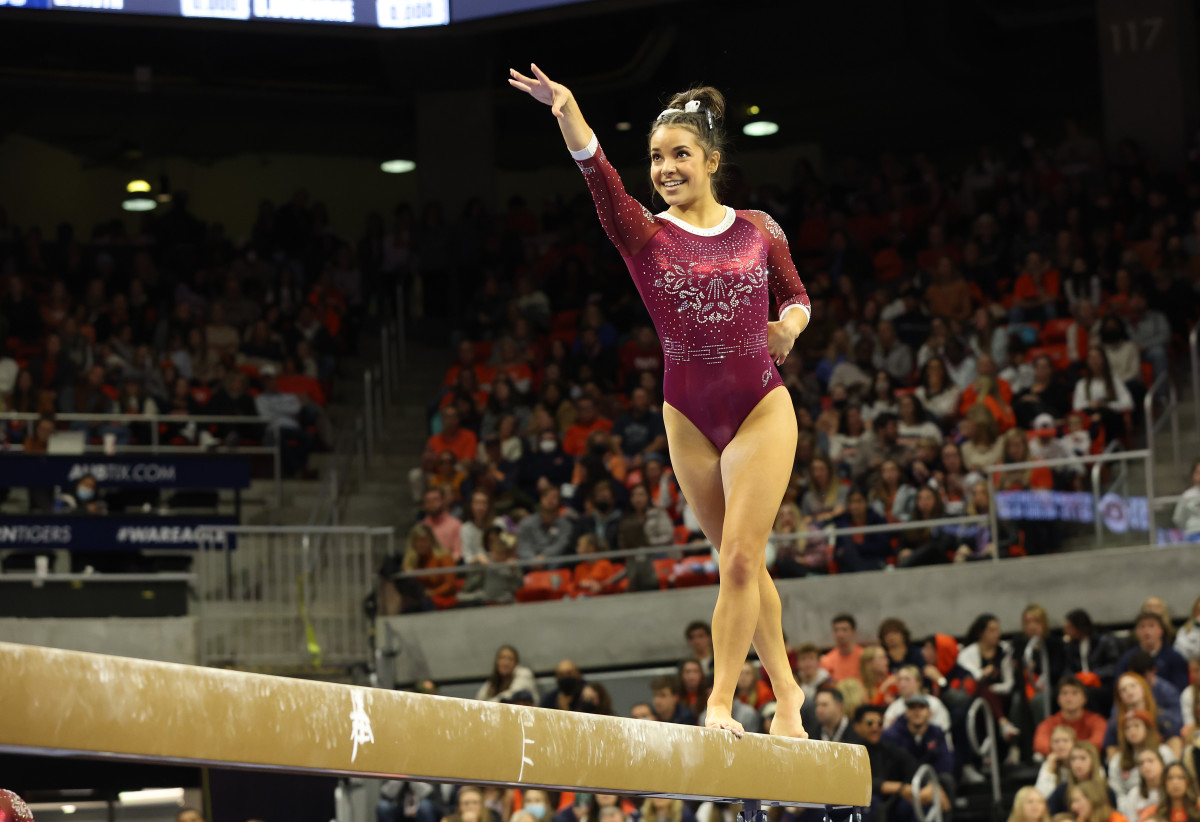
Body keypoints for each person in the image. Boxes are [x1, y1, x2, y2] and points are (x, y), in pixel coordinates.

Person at [512, 68, 811, 738]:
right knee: (740, 561)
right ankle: (789, 692)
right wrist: (567, 109)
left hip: (762, 403)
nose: (666, 167)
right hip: (689, 417)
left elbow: (795, 295)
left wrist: (788, 328)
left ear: (711, 160)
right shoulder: (642, 234)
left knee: (739, 559)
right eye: (656, 157)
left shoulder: (760, 229)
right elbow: (597, 173)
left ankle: (720, 703)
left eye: (680, 154)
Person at [1108, 710, 1177, 799]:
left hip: (1165, 798)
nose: (1132, 731)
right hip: (1132, 804)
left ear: (1147, 728)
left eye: (1136, 725)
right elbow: (1117, 790)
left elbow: (1174, 776)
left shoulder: (1163, 751)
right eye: (1127, 728)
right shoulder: (1117, 760)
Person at [1036, 676, 1109, 757]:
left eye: (1075, 693)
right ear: (1058, 699)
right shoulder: (1049, 723)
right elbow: (1040, 744)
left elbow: (1099, 741)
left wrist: (1065, 750)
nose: (1069, 697)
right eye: (1064, 693)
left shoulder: (1097, 720)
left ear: (1084, 699)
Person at [1119, 612, 1191, 694]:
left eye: (1151, 626)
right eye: (1142, 626)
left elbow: (1181, 689)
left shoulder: (1175, 657)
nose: (1146, 631)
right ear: (1136, 631)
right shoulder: (1127, 658)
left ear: (1161, 630)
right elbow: (1119, 687)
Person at [882, 665, 952, 733]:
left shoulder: (933, 703)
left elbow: (944, 729)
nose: (902, 683)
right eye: (899, 680)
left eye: (907, 679)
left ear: (918, 682)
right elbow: (886, 732)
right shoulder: (894, 708)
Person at [1038, 726, 1080, 800]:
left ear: (1074, 743)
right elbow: (1041, 796)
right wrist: (1050, 770)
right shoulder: (1049, 764)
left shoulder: (1083, 761)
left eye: (1065, 740)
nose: (1060, 745)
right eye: (1056, 741)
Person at [821, 613, 865, 681]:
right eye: (836, 630)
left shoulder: (864, 657)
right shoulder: (826, 661)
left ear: (854, 632)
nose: (840, 634)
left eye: (844, 630)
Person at [1171, 463, 1200, 543]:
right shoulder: (1187, 495)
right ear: (1193, 474)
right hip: (1193, 534)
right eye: (1198, 472)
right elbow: (1178, 519)